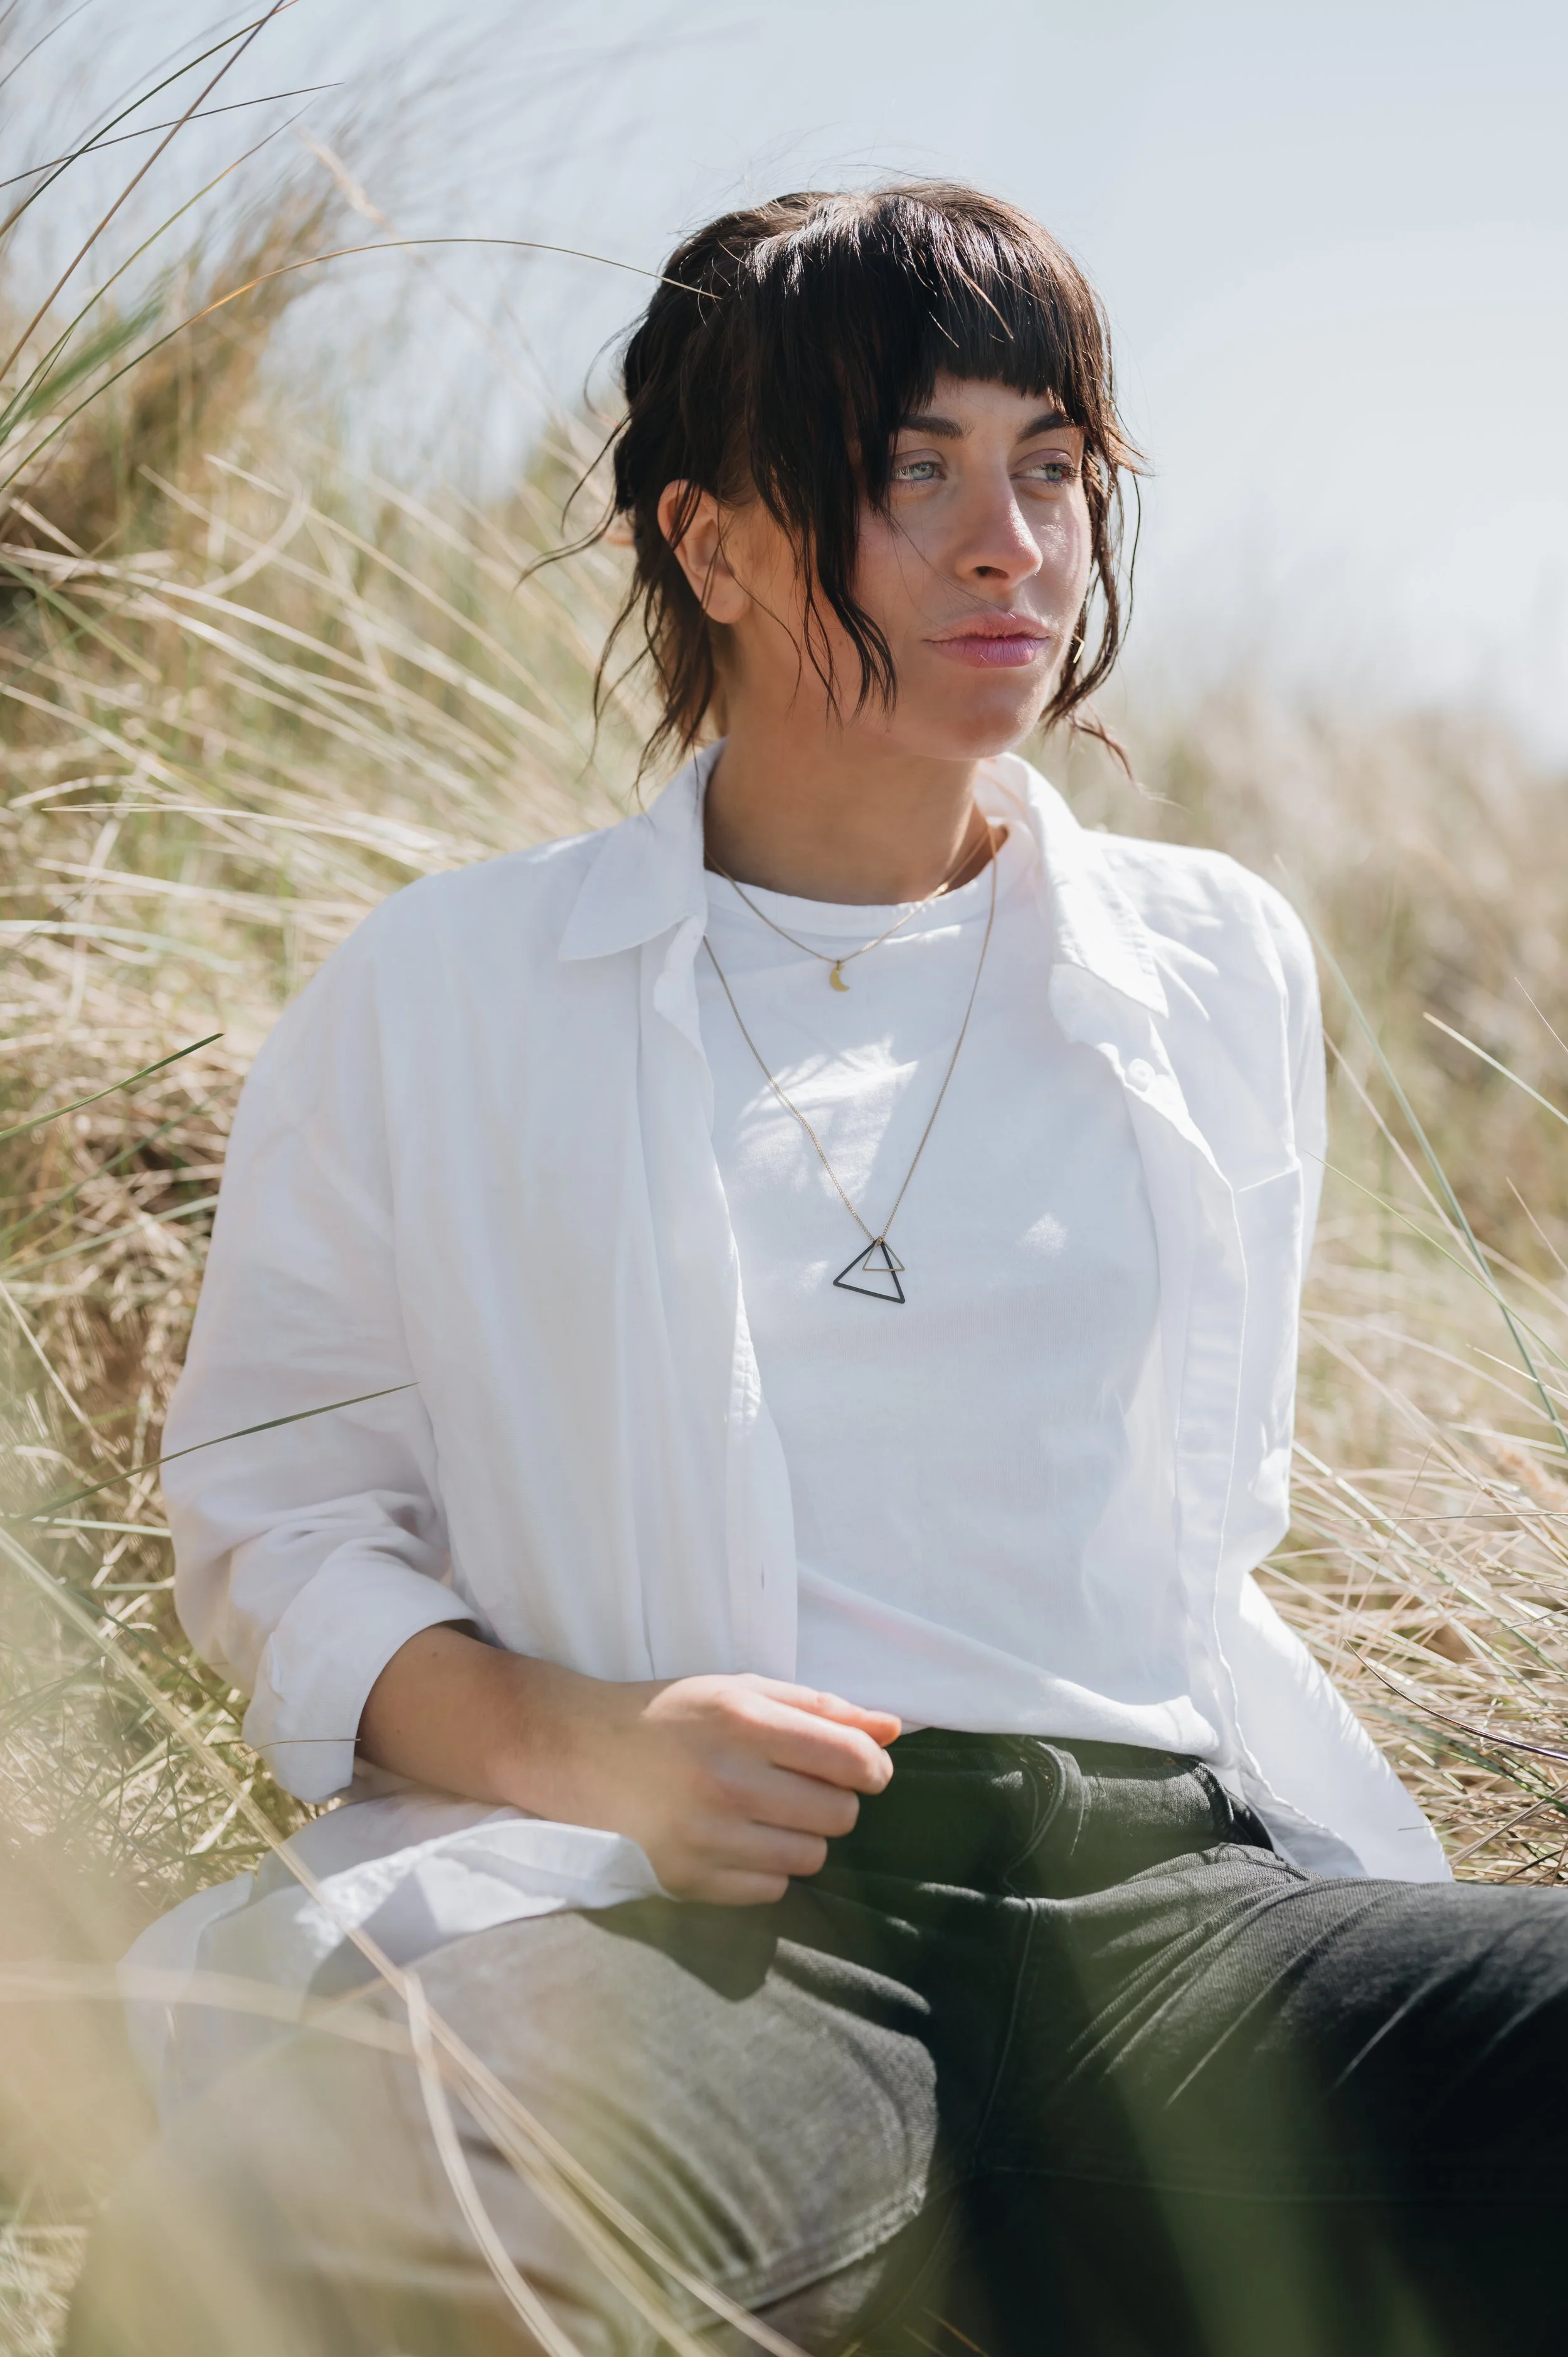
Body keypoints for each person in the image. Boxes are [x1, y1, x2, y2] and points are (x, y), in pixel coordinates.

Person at [69, 184, 1568, 2357]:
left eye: (1051, 467)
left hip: (1168, 1901)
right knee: (302, 2254)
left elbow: (1198, 1509)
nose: (1009, 546)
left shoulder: (1210, 957)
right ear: (713, 541)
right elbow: (278, 1523)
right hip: (714, 1918)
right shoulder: (454, 990)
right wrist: (581, 1740)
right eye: (909, 470)